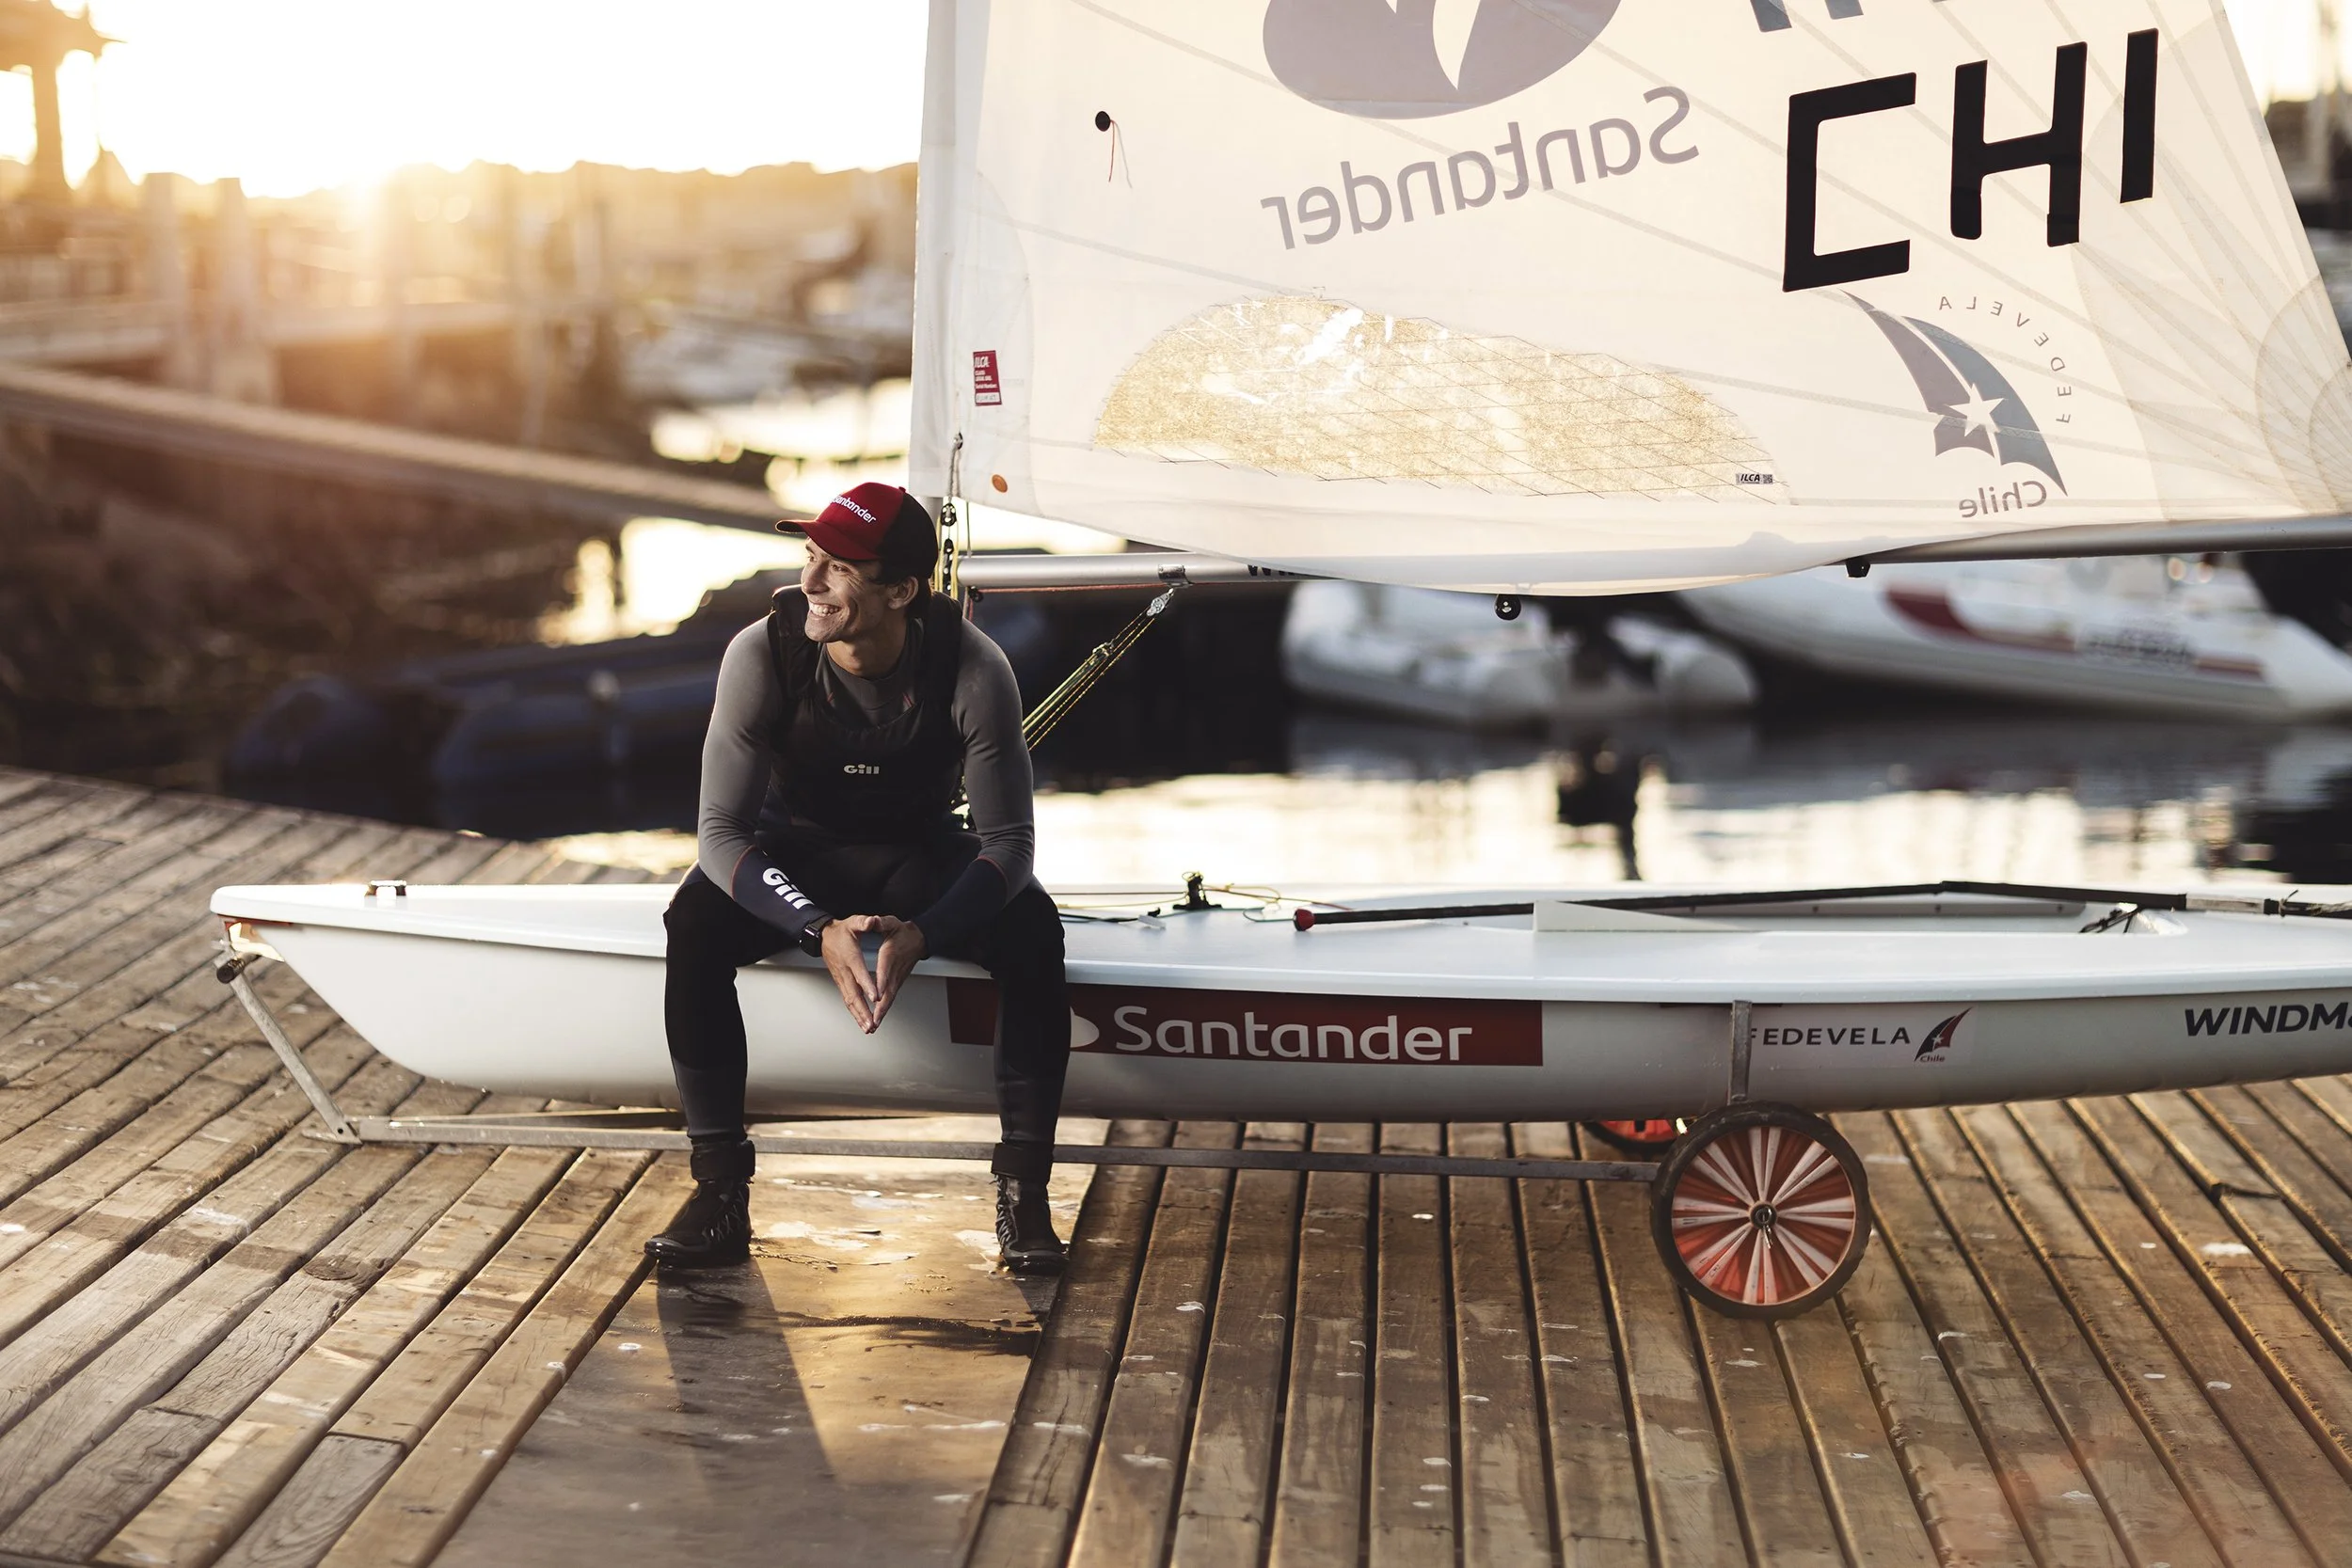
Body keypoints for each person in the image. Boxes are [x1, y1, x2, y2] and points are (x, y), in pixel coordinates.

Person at [646, 483, 1072, 1275]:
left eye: (838, 568)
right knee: (694, 921)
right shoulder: (762, 652)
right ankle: (718, 1193)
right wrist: (814, 928)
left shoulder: (974, 667)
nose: (810, 581)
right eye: (811, 556)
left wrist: (927, 934)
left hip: (918, 858)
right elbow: (720, 834)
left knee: (1033, 932)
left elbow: (1010, 844)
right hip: (800, 853)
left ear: (902, 591)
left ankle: (1025, 1193)